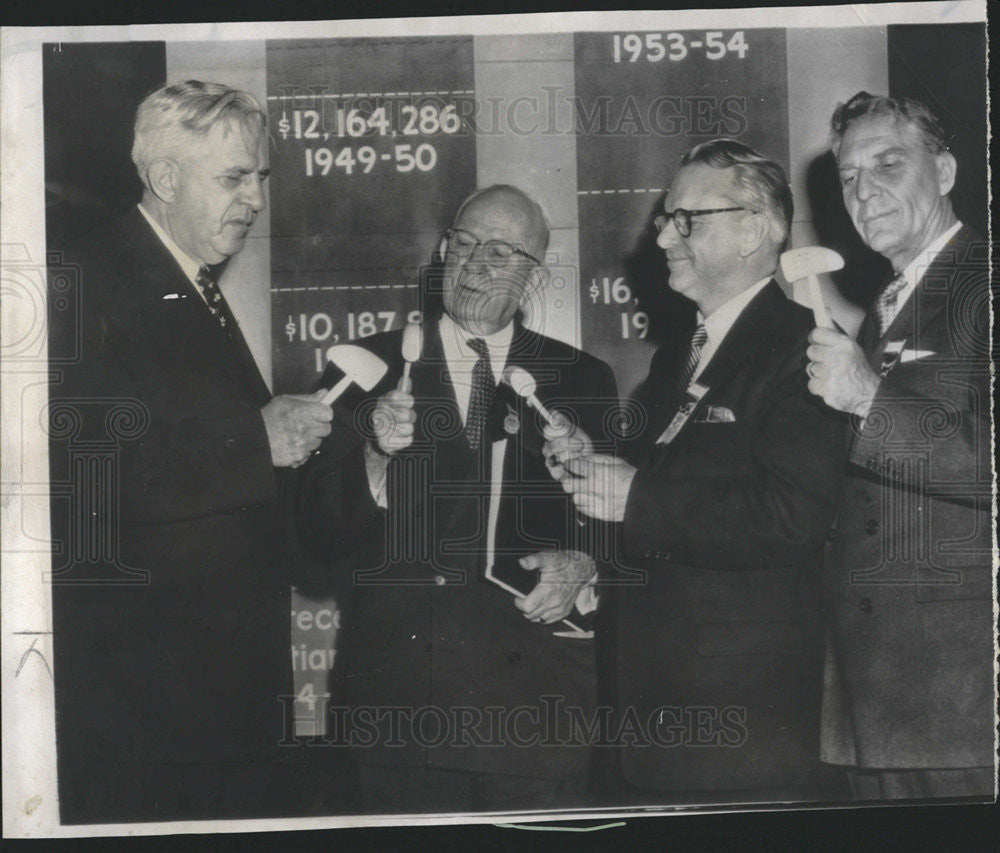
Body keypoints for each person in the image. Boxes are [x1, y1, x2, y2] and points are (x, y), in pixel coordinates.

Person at [47, 80, 333, 822]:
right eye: (235, 177)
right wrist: (255, 440)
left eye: (262, 177)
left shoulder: (189, 280)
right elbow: (78, 477)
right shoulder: (87, 278)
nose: (257, 200)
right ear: (165, 178)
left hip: (215, 703)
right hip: (145, 713)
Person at [296, 185, 618, 813]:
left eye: (499, 253)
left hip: (534, 711)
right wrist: (373, 456)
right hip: (400, 715)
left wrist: (585, 563)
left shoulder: (583, 378)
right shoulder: (367, 367)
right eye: (462, 244)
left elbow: (620, 521)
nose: (473, 267)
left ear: (533, 272)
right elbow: (315, 532)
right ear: (442, 250)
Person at [546, 139, 846, 803]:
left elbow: (790, 515)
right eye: (663, 217)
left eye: (687, 219)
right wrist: (594, 469)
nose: (661, 236)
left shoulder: (807, 349)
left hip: (741, 728)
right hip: (658, 720)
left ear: (757, 230)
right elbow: (664, 497)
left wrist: (635, 494)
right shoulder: (676, 358)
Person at [806, 92, 993, 799]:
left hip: (959, 693)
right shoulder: (888, 305)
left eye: (888, 162)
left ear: (944, 172)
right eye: (848, 176)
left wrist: (867, 398)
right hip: (879, 691)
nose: (863, 190)